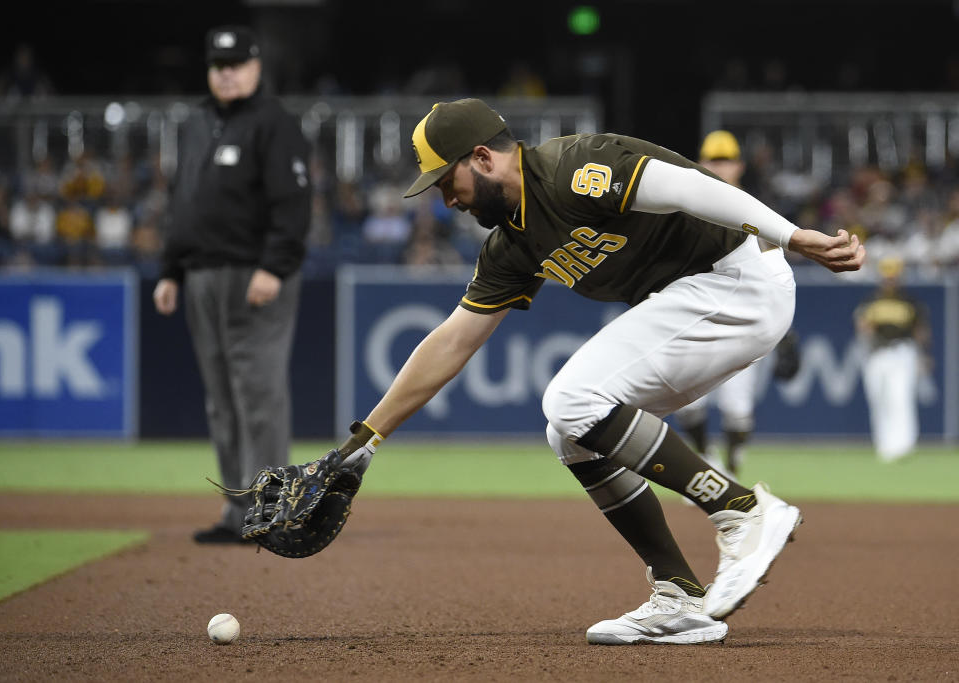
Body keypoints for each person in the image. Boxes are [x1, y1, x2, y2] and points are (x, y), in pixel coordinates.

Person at [296, 99, 864, 643]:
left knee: (572, 397)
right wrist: (365, 439)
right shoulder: (511, 245)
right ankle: (678, 597)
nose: (447, 200)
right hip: (700, 294)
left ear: (482, 157)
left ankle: (740, 510)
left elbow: (693, 186)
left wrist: (790, 235)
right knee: (568, 430)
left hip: (737, 277)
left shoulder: (573, 168)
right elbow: (452, 341)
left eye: (448, 181)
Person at [153, 25, 311, 543]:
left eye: (235, 63)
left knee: (258, 393)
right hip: (200, 274)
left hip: (254, 274)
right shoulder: (198, 122)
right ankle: (235, 510)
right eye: (218, 64)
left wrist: (275, 265)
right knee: (221, 397)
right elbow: (184, 203)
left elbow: (293, 204)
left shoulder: (274, 122)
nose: (226, 72)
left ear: (256, 66)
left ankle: (270, 513)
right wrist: (171, 269)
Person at [672, 130, 767, 477]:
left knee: (738, 410)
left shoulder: (756, 210)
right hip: (697, 315)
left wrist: (782, 327)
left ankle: (733, 463)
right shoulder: (686, 208)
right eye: (714, 160)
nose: (720, 166)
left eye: (726, 160)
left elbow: (774, 268)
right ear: (701, 164)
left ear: (739, 165)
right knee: (687, 405)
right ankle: (708, 457)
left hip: (743, 318)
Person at [854, 257, 929, 462]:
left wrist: (923, 356)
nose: (890, 281)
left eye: (893, 277)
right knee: (878, 399)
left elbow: (920, 331)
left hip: (902, 352)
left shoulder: (909, 302)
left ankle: (904, 445)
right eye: (887, 277)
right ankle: (884, 445)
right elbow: (862, 327)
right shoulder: (870, 302)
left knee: (900, 397)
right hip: (877, 354)